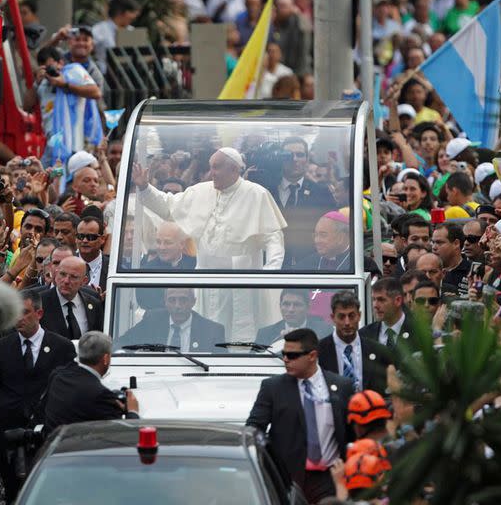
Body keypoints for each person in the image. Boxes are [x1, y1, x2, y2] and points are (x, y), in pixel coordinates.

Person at [132, 147, 286, 341]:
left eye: (217, 167)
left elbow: (273, 237)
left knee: (239, 338)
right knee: (204, 337)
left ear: (234, 170)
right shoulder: (200, 191)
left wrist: (270, 271)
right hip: (205, 281)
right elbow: (168, 206)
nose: (211, 172)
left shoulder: (256, 194)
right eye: (211, 167)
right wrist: (145, 187)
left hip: (243, 283)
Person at [0, 289, 77, 500]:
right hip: (7, 434)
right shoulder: (2, 347)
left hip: (45, 433)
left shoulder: (61, 347)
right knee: (11, 493)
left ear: (39, 314)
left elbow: (67, 391)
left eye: (25, 312)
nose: (18, 318)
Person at [246, 328, 354, 503]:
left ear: (312, 356)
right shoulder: (273, 388)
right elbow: (253, 429)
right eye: (284, 354)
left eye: (292, 355)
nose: (286, 360)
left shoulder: (341, 386)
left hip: (330, 478)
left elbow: (351, 431)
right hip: (288, 479)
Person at [44, 331, 139, 434]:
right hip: (76, 448)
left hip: (51, 445)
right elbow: (125, 434)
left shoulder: (58, 376)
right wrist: (133, 412)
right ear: (106, 358)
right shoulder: (101, 395)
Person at [270, 136, 337, 267]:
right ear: (280, 158)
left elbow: (332, 231)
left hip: (310, 266)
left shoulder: (321, 193)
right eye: (288, 155)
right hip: (271, 265)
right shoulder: (267, 190)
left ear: (307, 159)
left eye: (300, 155)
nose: (294, 159)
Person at [317, 291, 391, 395]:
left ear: (359, 316)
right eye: (341, 317)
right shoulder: (319, 350)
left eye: (351, 316)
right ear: (333, 318)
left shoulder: (378, 351)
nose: (347, 323)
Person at [119, 288, 225, 352]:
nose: (177, 306)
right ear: (165, 302)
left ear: (193, 302)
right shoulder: (152, 321)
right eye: (172, 300)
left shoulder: (212, 330)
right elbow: (122, 342)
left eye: (183, 300)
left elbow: (222, 364)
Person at [39, 256, 104, 339]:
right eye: (62, 274)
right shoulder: (40, 302)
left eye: (73, 277)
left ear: (84, 281)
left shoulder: (94, 305)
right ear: (56, 274)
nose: (66, 281)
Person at [256, 289, 331, 345]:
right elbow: (254, 361)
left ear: (308, 307)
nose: (291, 310)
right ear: (280, 306)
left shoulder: (325, 330)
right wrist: (278, 343)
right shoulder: (265, 334)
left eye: (297, 305)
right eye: (286, 304)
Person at [92, 0, 141, 73]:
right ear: (120, 12)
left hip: (130, 76)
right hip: (106, 75)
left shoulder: (132, 31)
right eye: (131, 12)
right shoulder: (99, 30)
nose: (134, 17)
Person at [359, 278, 413, 348]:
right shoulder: (364, 335)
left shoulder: (418, 333)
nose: (375, 305)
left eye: (381, 300)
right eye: (373, 299)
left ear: (398, 300)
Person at [270, 0, 311, 74]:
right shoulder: (274, 22)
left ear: (292, 7)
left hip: (297, 70)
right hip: (279, 69)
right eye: (278, 6)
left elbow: (304, 51)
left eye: (283, 6)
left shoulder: (299, 23)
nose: (280, 9)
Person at [432, 223, 470, 297]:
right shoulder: (426, 270)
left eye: (439, 242)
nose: (434, 247)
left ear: (456, 243)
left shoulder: (473, 272)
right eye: (433, 242)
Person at [76, 216, 109, 290]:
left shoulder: (111, 266)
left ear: (102, 239)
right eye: (80, 236)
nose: (84, 240)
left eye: (90, 237)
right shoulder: (67, 263)